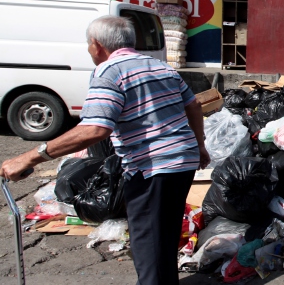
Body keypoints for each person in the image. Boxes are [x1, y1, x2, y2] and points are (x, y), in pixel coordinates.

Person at [0, 15, 210, 285]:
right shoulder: (160, 66)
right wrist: (199, 145)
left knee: (148, 242)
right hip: (183, 161)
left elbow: (95, 130)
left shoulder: (109, 71)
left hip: (152, 168)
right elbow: (193, 105)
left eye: (88, 45)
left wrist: (29, 156)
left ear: (97, 45)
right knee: (163, 234)